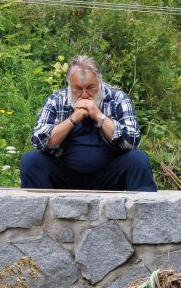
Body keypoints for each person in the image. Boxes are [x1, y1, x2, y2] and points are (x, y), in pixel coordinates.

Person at [20, 56, 158, 192]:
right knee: (31, 160)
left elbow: (132, 141)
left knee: (138, 159)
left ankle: (143, 207)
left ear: (99, 82)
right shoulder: (56, 100)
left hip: (109, 176)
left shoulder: (118, 98)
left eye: (90, 88)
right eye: (78, 89)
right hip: (66, 177)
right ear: (70, 84)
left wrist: (99, 116)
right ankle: (41, 207)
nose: (85, 95)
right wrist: (73, 119)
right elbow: (39, 142)